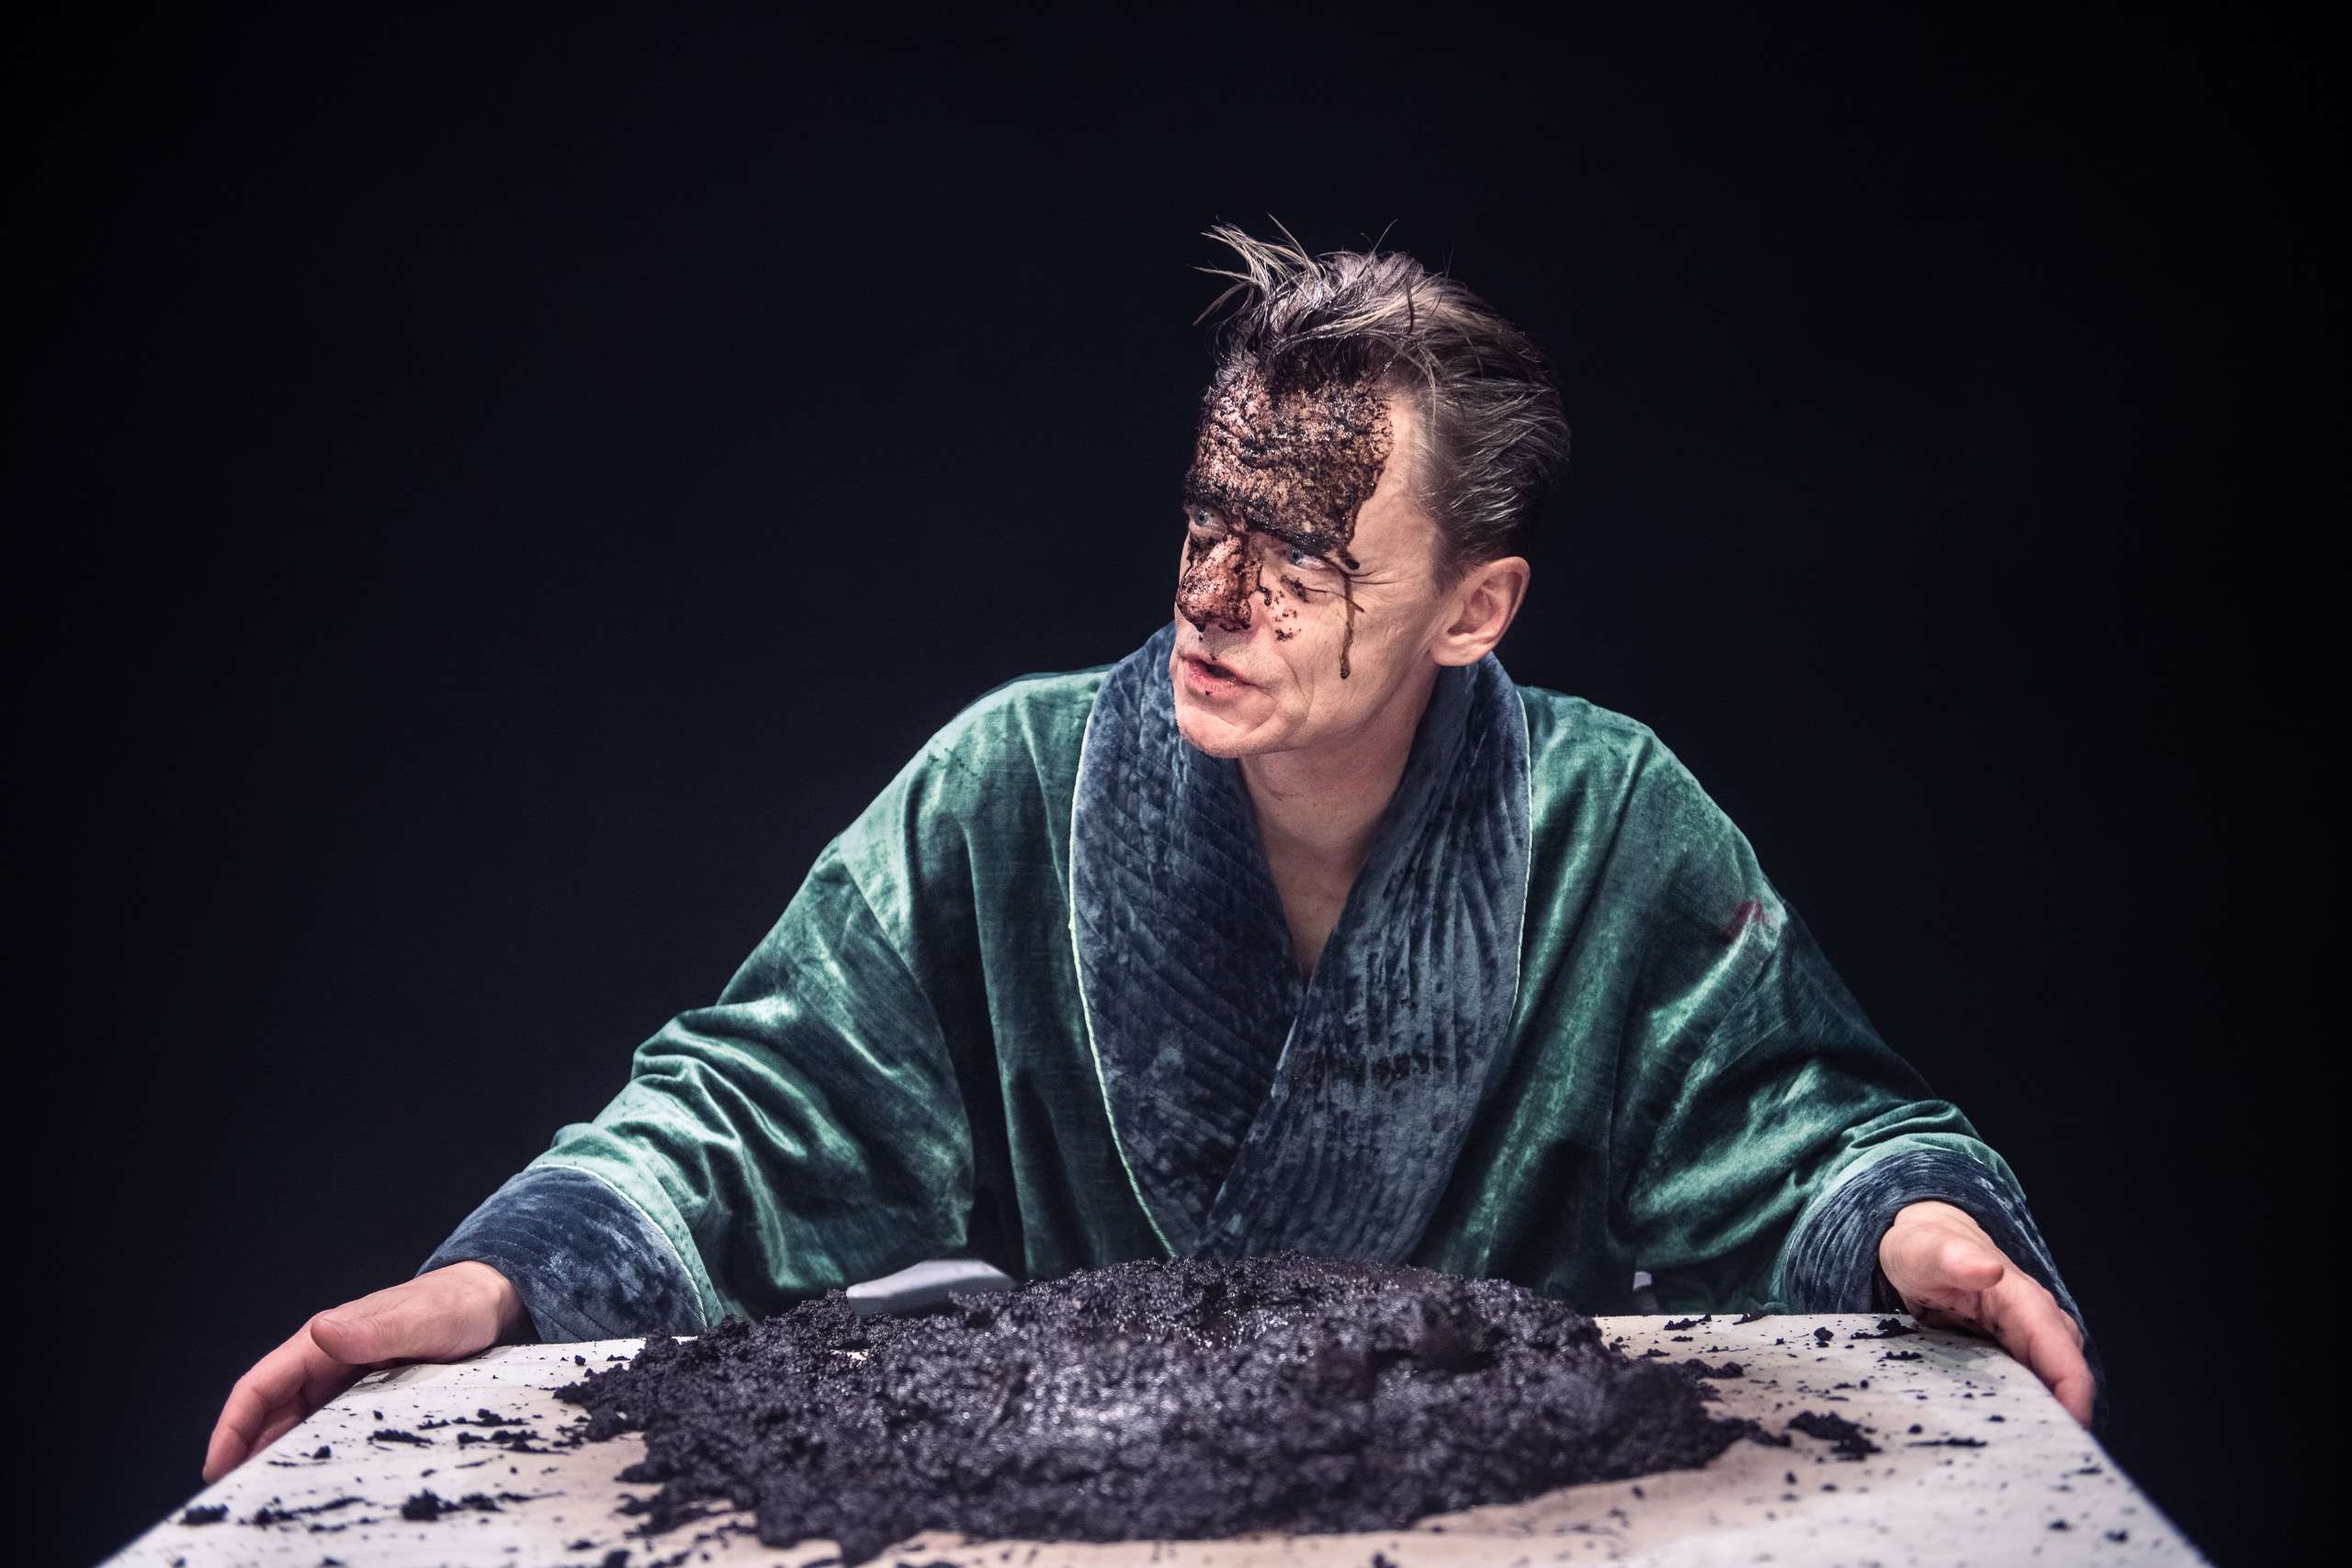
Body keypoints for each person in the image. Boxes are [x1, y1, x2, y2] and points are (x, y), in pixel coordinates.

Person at [205, 229, 2099, 1483]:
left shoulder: (1606, 820)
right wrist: (511, 1276)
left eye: (1305, 554)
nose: (1212, 594)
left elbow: (1798, 1127)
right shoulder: (1010, 786)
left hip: (1519, 1521)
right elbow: (755, 1106)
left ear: (1473, 607)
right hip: (1080, 1513)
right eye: (1207, 517)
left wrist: (1913, 1228)